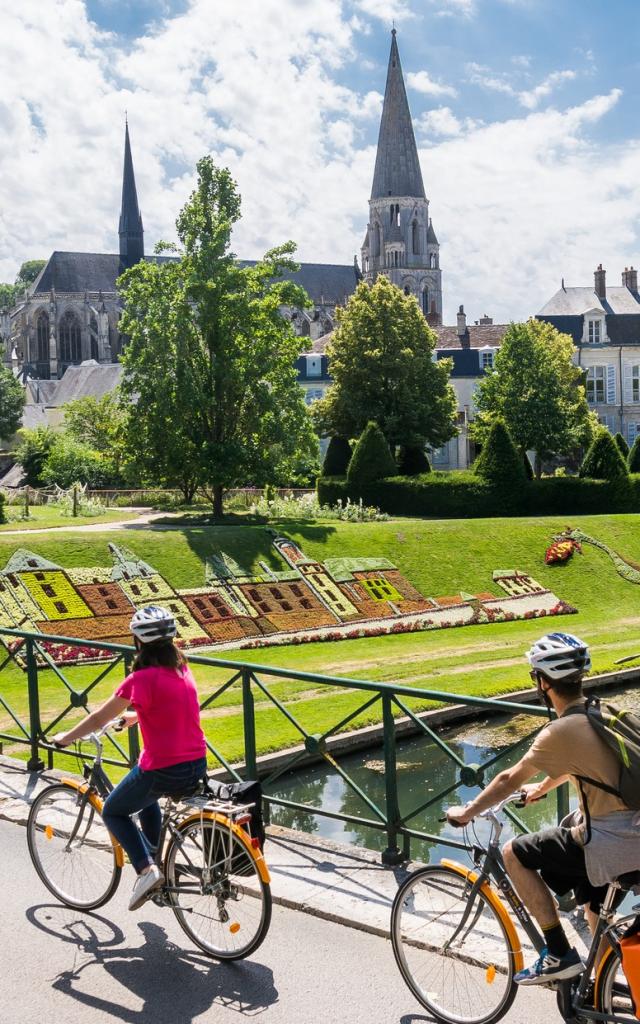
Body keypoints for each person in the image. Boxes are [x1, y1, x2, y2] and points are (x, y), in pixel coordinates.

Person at [447, 632, 640, 987]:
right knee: (593, 907)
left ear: (543, 682)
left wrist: (468, 812)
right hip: (635, 834)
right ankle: (600, 991)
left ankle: (558, 954)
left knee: (514, 853)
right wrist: (544, 787)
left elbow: (507, 778)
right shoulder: (601, 712)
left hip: (612, 843)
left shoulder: (560, 730)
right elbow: (584, 765)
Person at [53, 605, 207, 911]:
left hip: (164, 769)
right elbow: (169, 705)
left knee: (113, 810)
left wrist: (65, 737)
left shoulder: (140, 679)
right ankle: (155, 858)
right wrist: (136, 717)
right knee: (144, 792)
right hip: (196, 764)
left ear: (138, 642)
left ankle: (146, 870)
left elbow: (98, 718)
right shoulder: (181, 668)